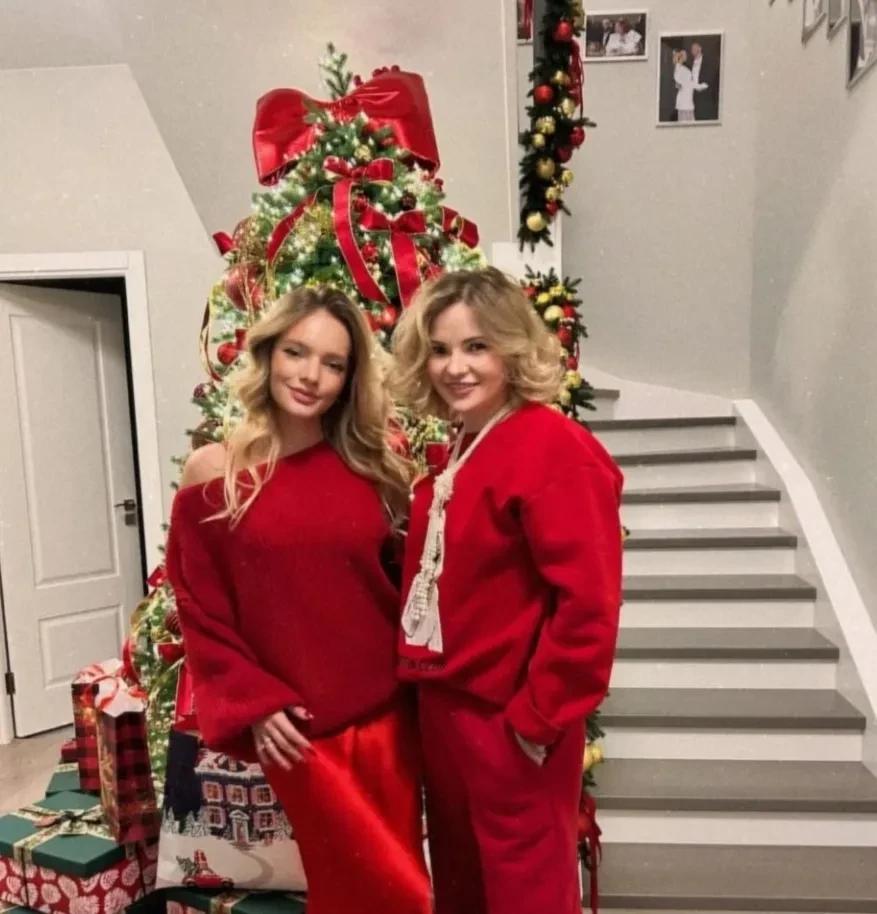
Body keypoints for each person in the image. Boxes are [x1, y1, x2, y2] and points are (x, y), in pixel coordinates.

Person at [164, 286, 430, 914]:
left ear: (349, 379)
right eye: (296, 352)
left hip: (389, 717)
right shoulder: (214, 472)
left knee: (370, 883)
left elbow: (408, 592)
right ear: (268, 353)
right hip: (299, 730)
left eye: (333, 363)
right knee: (397, 891)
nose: (311, 375)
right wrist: (253, 702)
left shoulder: (374, 470)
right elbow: (200, 608)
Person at [391, 267, 624, 914]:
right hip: (448, 714)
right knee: (463, 886)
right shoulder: (467, 443)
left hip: (508, 719)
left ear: (512, 348)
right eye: (440, 350)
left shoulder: (553, 447)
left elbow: (589, 605)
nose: (455, 367)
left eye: (476, 346)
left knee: (525, 892)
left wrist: (537, 719)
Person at [690, 40, 719, 121]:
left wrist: (699, 87)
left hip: (705, 97)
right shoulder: (690, 63)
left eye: (694, 48)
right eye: (691, 49)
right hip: (693, 97)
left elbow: (710, 78)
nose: (692, 50)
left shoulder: (708, 61)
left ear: (700, 48)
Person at [673, 49, 697, 123]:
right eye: (680, 55)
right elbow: (678, 84)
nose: (683, 56)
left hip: (688, 101)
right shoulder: (679, 69)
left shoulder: (685, 68)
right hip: (684, 103)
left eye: (683, 55)